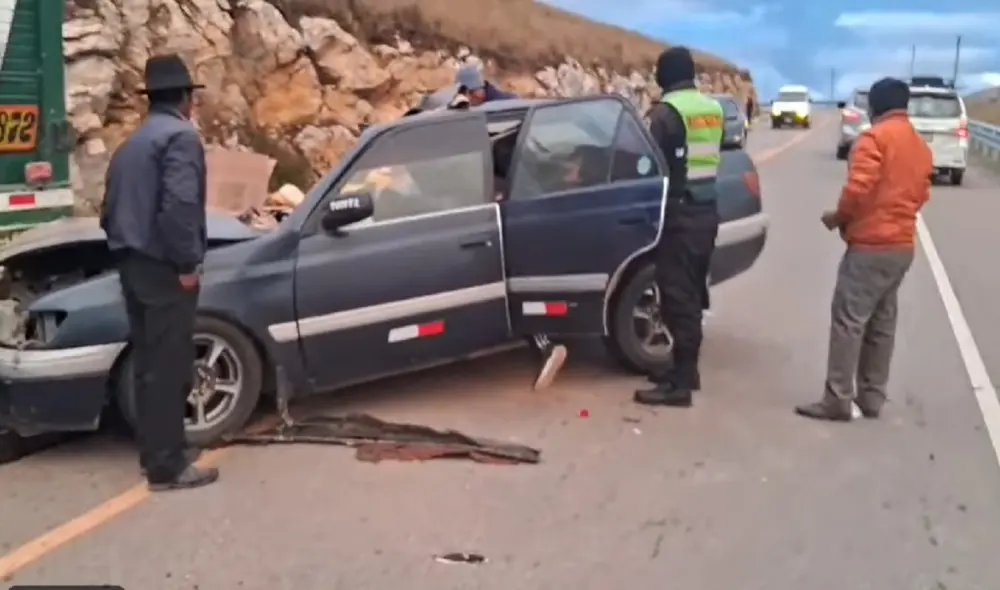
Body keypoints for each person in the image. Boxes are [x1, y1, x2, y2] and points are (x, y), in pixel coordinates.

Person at [100, 54, 217, 491]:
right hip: (164, 266)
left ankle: (156, 454)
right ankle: (168, 467)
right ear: (187, 99)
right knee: (171, 366)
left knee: (150, 364)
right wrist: (186, 264)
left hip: (132, 262)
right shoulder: (180, 138)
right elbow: (180, 206)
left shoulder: (133, 143)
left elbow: (110, 206)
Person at [795, 77, 932, 422]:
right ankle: (872, 396)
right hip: (901, 246)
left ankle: (838, 399)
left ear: (876, 106)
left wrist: (838, 217)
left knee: (849, 321)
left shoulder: (874, 139)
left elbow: (858, 188)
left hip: (871, 245)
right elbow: (922, 194)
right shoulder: (918, 145)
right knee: (882, 323)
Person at [633, 47, 724, 408]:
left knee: (678, 297)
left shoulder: (666, 114)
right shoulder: (712, 108)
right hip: (706, 212)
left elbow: (647, 165)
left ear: (664, 76)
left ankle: (681, 386)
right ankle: (685, 371)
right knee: (692, 294)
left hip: (680, 216)